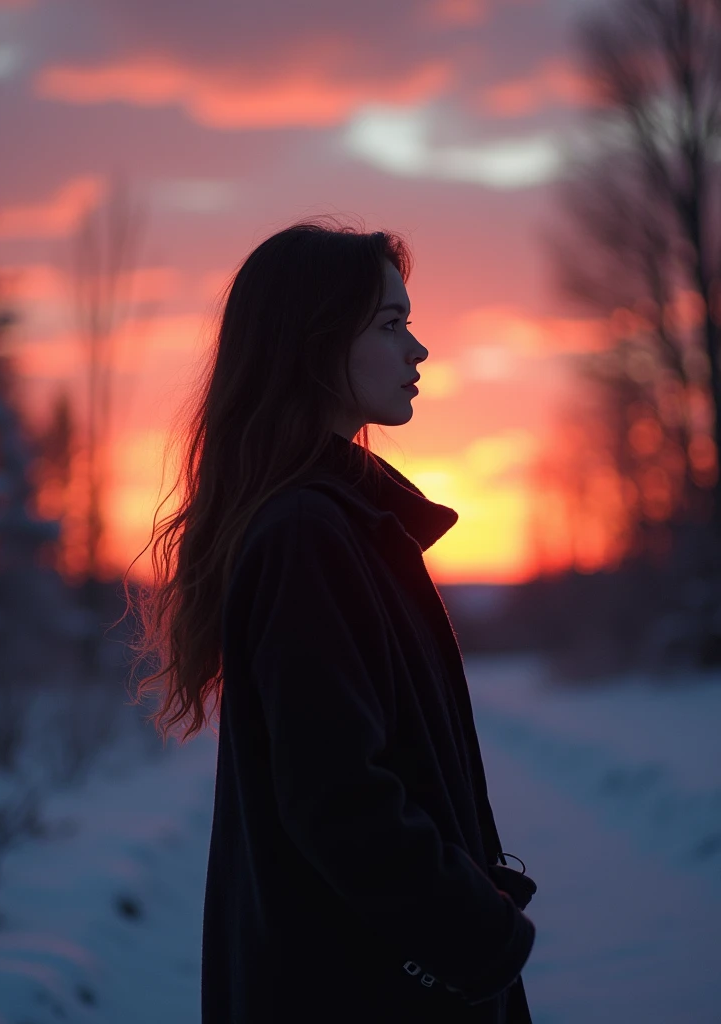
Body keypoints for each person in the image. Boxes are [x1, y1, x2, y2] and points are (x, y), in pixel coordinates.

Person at [127, 216, 538, 1023]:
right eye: (391, 325)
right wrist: (474, 931)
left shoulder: (337, 526)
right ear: (313, 345)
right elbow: (337, 796)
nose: (417, 351)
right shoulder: (309, 535)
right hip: (360, 993)